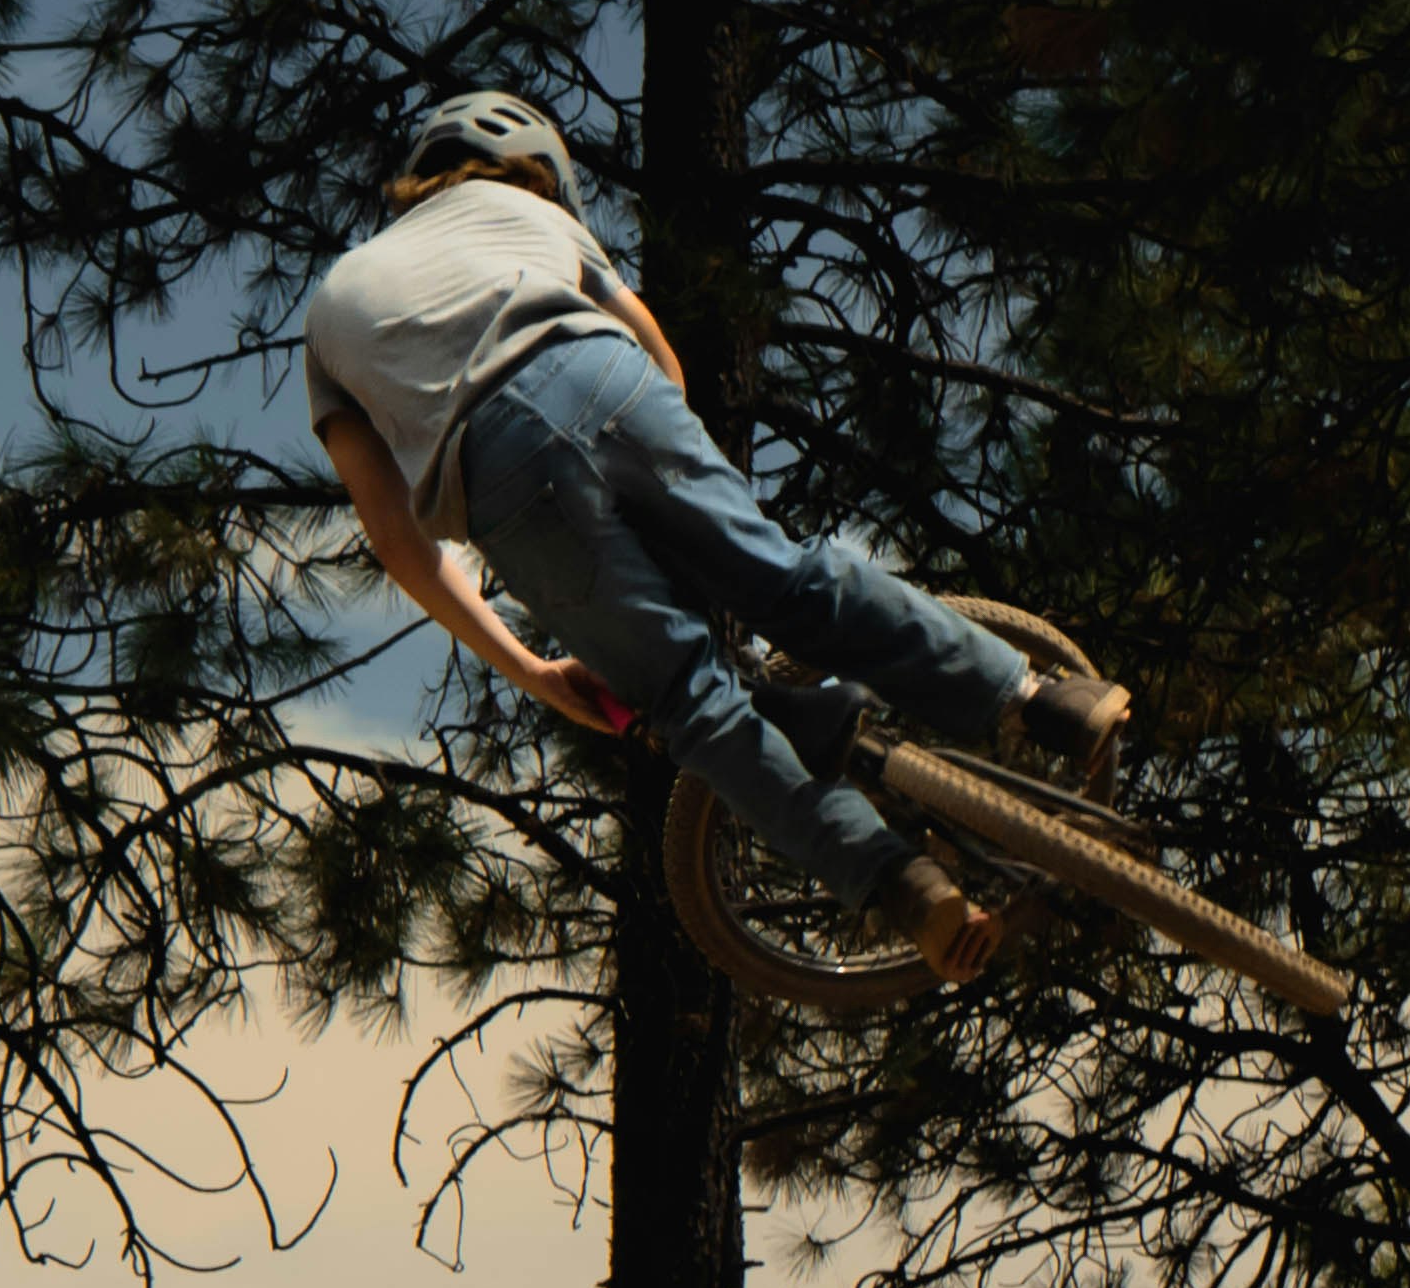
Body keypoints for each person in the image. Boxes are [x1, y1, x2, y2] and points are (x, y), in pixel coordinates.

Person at [303, 89, 1124, 980]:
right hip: (605, 379)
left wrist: (534, 670)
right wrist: (683, 511)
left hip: (499, 474)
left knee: (695, 703)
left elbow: (397, 540)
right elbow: (659, 356)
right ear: (542, 170)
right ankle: (1038, 701)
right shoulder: (528, 213)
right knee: (786, 579)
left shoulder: (331, 306)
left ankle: (907, 891)